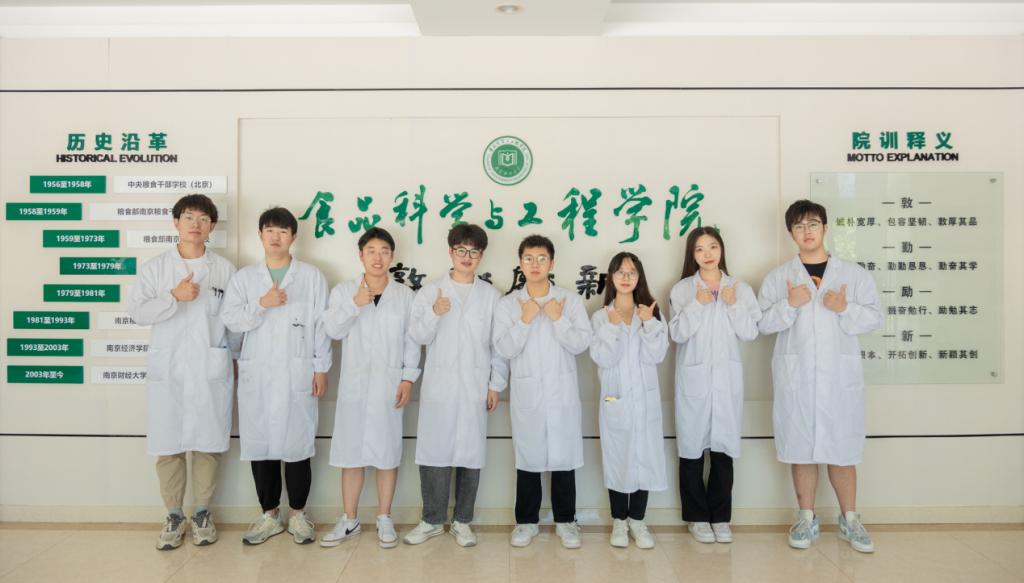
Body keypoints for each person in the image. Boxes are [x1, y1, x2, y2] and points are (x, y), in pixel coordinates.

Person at [757, 199, 883, 553]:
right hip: (797, 379)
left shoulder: (853, 275)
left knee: (843, 450)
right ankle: (806, 518)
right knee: (801, 448)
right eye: (799, 226)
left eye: (813, 224)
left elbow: (876, 317)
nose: (807, 231)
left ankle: (850, 520)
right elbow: (760, 323)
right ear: (791, 233)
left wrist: (845, 308)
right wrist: (789, 304)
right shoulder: (779, 277)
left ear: (825, 228)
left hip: (839, 380)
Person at [127, 194, 239, 551]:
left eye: (203, 218)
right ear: (175, 222)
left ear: (212, 226)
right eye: (189, 217)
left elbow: (233, 322)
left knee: (208, 444)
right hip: (170, 369)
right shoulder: (155, 269)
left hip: (210, 367)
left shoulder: (224, 270)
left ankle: (203, 513)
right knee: (168, 445)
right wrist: (173, 297)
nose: (195, 224)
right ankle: (174, 515)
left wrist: (236, 359)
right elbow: (137, 313)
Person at [221, 206, 331, 546]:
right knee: (261, 444)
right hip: (257, 373)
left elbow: (321, 326)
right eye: (270, 230)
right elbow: (231, 321)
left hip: (298, 372)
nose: (276, 236)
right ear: (260, 234)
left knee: (298, 443)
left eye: (283, 231)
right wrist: (262, 304)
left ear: (293, 237)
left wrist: (321, 368)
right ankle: (269, 514)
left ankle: (298, 514)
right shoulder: (244, 279)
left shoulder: (311, 277)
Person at [403, 224, 508, 548]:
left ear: (481, 256)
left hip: (475, 386)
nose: (467, 256)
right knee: (434, 452)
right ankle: (432, 520)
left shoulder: (491, 296)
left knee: (470, 453)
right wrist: (434, 313)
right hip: (440, 386)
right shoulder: (431, 292)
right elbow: (416, 336)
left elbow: (498, 346)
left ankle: (463, 521)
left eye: (473, 251)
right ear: (450, 252)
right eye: (461, 250)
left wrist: (495, 384)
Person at [320, 227, 421, 550]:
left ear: (392, 256)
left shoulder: (404, 296)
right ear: (360, 255)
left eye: (384, 251)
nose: (378, 258)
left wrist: (407, 378)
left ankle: (384, 518)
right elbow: (332, 330)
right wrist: (354, 304)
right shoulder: (344, 291)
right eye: (372, 251)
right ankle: (349, 519)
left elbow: (412, 340)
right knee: (351, 454)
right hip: (355, 385)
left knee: (387, 453)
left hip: (390, 385)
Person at [492, 235, 592, 549]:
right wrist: (524, 320)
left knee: (563, 457)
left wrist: (558, 318)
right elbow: (503, 348)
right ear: (520, 263)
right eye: (529, 258)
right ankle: (525, 522)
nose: (535, 264)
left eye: (541, 258)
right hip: (528, 394)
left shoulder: (569, 301)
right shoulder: (508, 304)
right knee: (528, 457)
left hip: (561, 394)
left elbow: (581, 343)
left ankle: (566, 521)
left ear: (552, 263)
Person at [668, 227, 761, 544]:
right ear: (691, 255)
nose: (707, 254)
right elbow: (677, 334)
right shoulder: (683, 289)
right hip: (693, 381)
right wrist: (696, 304)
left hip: (726, 381)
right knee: (691, 451)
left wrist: (733, 305)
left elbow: (750, 332)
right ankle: (697, 518)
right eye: (699, 249)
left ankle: (720, 518)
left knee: (723, 451)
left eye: (712, 247)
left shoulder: (740, 289)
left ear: (722, 250)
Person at [589, 251, 668, 549]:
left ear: (639, 277)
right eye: (620, 272)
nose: (625, 277)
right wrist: (612, 327)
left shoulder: (650, 312)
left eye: (631, 272)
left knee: (645, 457)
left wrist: (649, 324)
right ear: (610, 277)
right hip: (616, 398)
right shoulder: (600, 317)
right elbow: (603, 358)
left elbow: (656, 355)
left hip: (645, 400)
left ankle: (638, 520)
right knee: (618, 458)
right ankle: (619, 522)